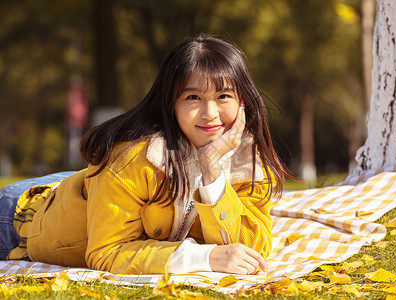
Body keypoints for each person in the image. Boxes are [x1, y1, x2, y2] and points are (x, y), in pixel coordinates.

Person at [0, 34, 292, 275]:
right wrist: (205, 257)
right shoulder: (133, 158)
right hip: (20, 217)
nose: (210, 113)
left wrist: (212, 171)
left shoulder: (246, 159)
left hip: (86, 188)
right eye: (193, 97)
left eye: (223, 96)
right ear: (170, 103)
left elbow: (251, 249)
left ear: (243, 100)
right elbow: (107, 253)